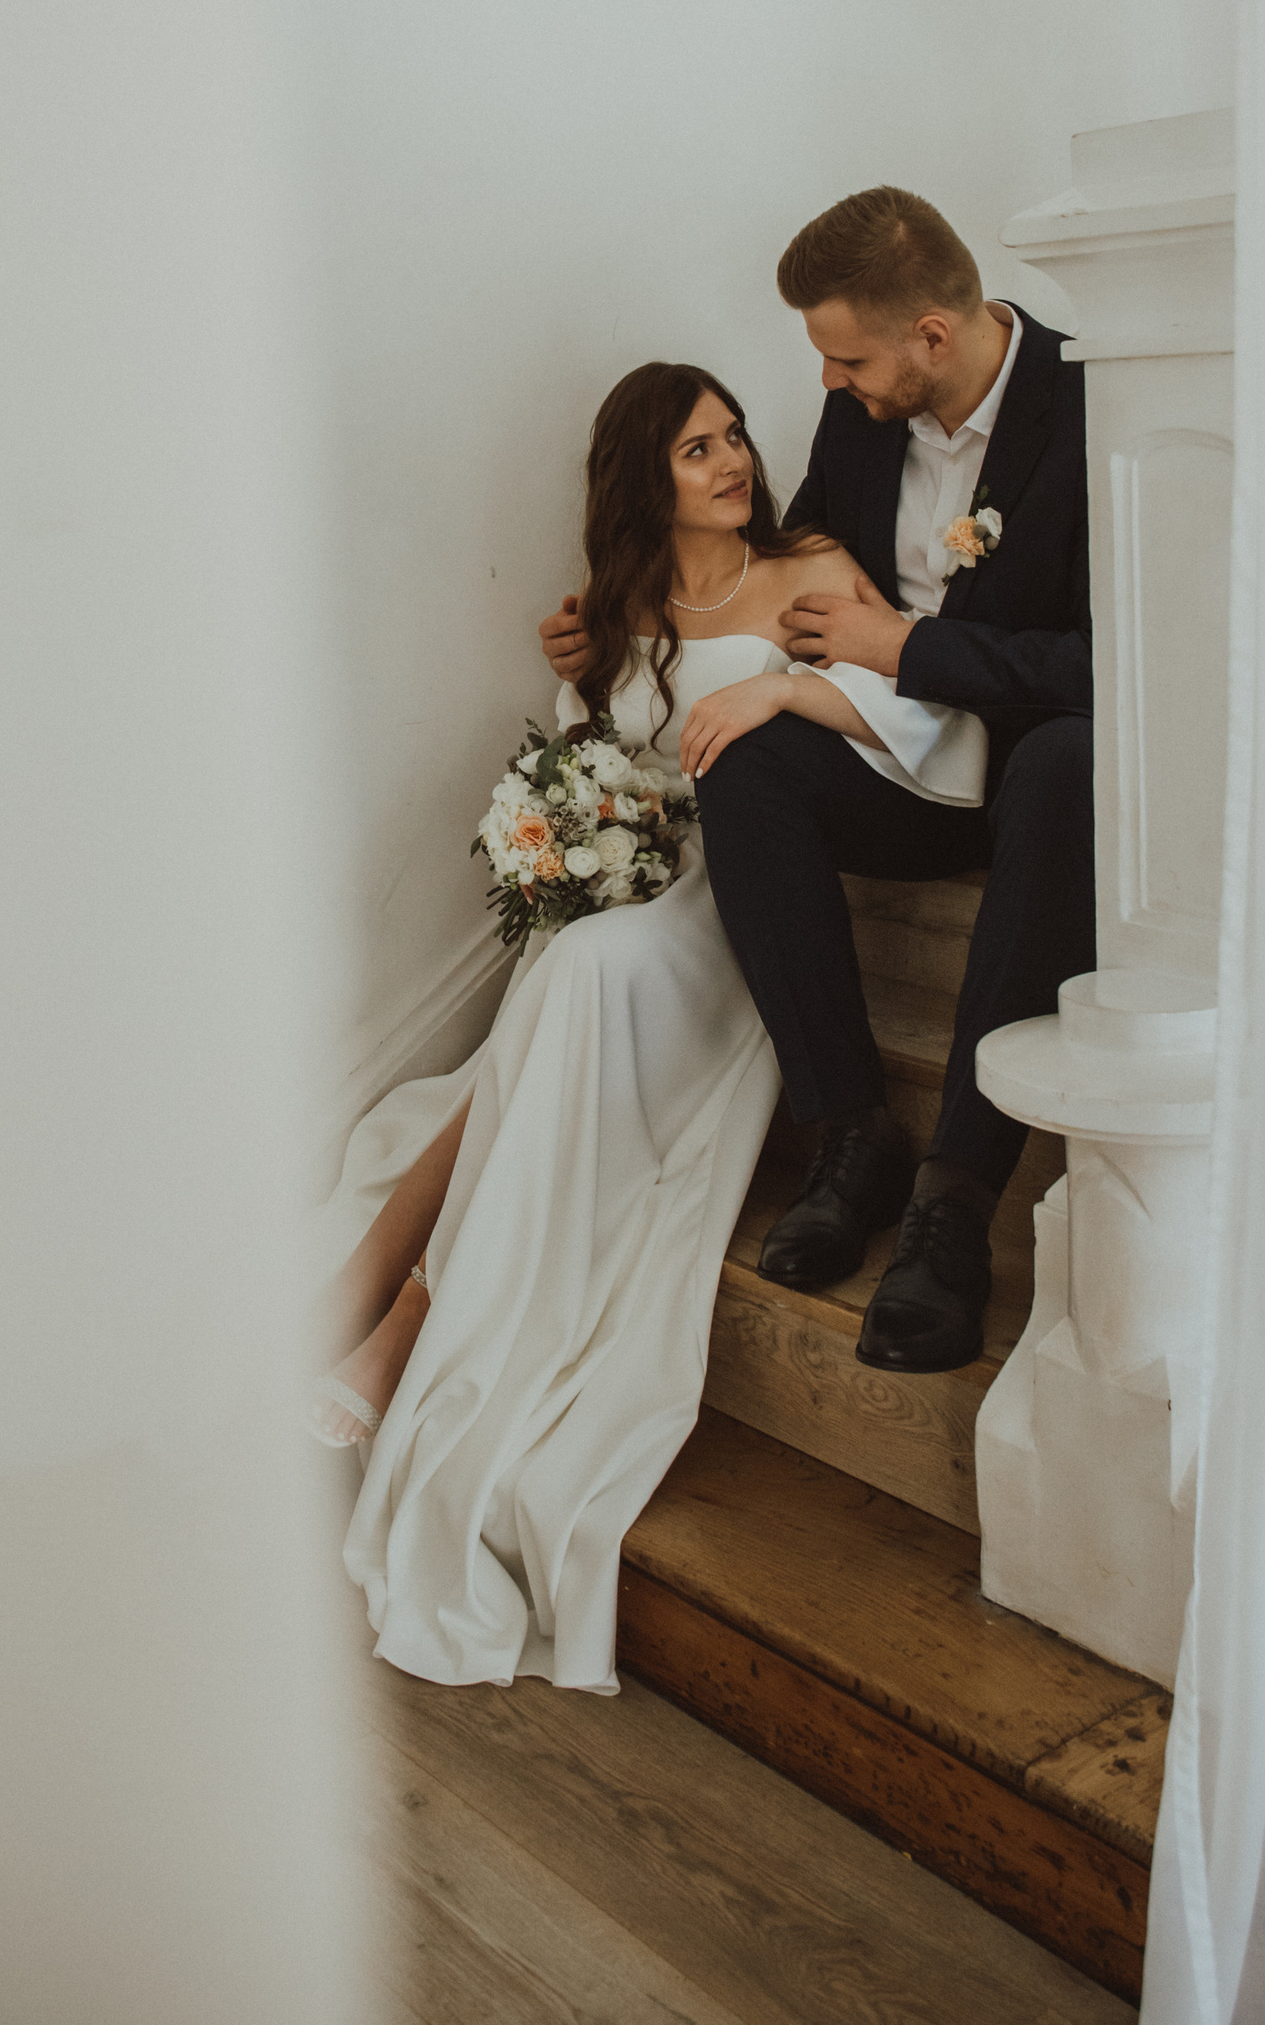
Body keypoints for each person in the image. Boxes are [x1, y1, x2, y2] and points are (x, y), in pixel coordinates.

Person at [307, 361, 984, 1692]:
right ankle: (391, 1309)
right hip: (640, 896)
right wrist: (572, 828)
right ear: (643, 479)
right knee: (571, 970)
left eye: (733, 437)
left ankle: (389, 1314)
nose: (733, 463)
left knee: (576, 979)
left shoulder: (808, 569)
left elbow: (913, 712)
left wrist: (786, 692)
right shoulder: (616, 612)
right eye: (696, 449)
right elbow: (599, 755)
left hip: (742, 906)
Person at [541, 187, 1095, 1374]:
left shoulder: (1098, 403)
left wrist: (914, 647)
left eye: (846, 360)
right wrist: (624, 630)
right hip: (891, 759)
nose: (829, 385)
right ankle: (850, 1131)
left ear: (931, 336)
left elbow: (1115, 662)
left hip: (1029, 769)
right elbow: (789, 567)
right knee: (747, 756)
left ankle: (954, 1202)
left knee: (1070, 763)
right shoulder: (863, 416)